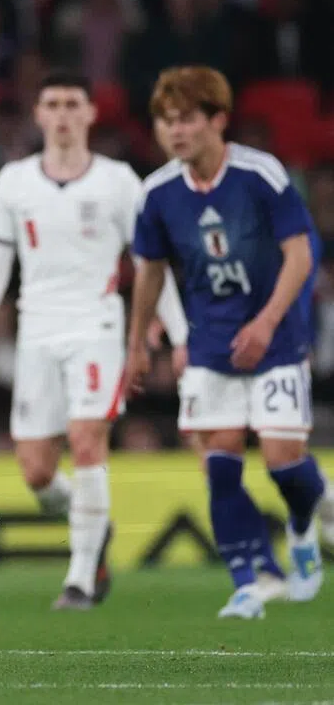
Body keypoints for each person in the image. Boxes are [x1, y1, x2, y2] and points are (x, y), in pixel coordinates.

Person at [0, 69, 190, 610]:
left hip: (98, 326)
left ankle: (82, 577)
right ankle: (94, 524)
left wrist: (181, 336)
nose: (62, 114)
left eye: (72, 104)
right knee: (37, 471)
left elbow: (150, 265)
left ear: (90, 114)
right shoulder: (14, 181)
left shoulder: (118, 182)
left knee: (88, 440)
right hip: (36, 329)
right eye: (53, 104)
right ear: (39, 115)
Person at [127, 65, 334, 619]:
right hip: (211, 343)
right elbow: (149, 271)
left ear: (218, 120)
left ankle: (306, 519)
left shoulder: (260, 174)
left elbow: (301, 254)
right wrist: (138, 343)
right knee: (219, 463)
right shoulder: (157, 192)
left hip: (278, 338)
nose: (175, 132)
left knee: (283, 463)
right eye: (166, 121)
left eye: (188, 119)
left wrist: (267, 322)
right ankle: (251, 580)